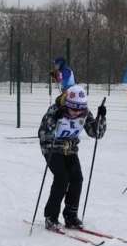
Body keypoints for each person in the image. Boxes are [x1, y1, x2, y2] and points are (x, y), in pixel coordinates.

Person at [37, 84, 107, 230]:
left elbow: (96, 133)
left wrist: (101, 118)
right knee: (62, 178)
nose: (76, 113)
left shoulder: (85, 113)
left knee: (77, 179)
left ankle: (71, 216)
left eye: (80, 109)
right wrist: (53, 122)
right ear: (67, 104)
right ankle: (51, 217)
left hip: (70, 149)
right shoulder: (55, 110)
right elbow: (43, 133)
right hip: (52, 148)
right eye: (73, 109)